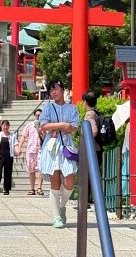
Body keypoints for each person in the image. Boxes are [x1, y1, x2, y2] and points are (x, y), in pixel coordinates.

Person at [39, 79, 79, 228]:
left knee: (69, 181)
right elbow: (44, 125)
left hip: (67, 146)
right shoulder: (48, 108)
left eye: (56, 89)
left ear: (62, 89)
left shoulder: (72, 108)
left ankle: (62, 206)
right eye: (51, 90)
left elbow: (75, 126)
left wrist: (61, 127)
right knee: (55, 179)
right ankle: (56, 216)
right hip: (52, 147)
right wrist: (62, 125)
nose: (54, 92)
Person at [82, 91, 104, 205]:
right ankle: (91, 199)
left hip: (92, 149)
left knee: (88, 176)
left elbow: (94, 131)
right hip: (98, 148)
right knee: (93, 175)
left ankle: (86, 200)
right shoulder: (96, 113)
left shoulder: (89, 114)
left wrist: (87, 140)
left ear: (85, 102)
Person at [0, 120, 20, 195]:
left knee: (8, 173)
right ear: (1, 126)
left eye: (6, 125)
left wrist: (17, 151)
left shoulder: (12, 136)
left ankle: (6, 188)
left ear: (9, 126)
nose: (5, 127)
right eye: (3, 125)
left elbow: (15, 145)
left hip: (8, 156)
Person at [17, 107, 44, 195]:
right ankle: (32, 188)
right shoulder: (29, 125)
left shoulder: (45, 125)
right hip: (31, 149)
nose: (38, 117)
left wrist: (40, 130)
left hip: (41, 149)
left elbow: (45, 137)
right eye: (37, 116)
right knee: (31, 170)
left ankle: (39, 188)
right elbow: (24, 136)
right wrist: (19, 147)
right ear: (34, 116)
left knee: (41, 169)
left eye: (40, 115)